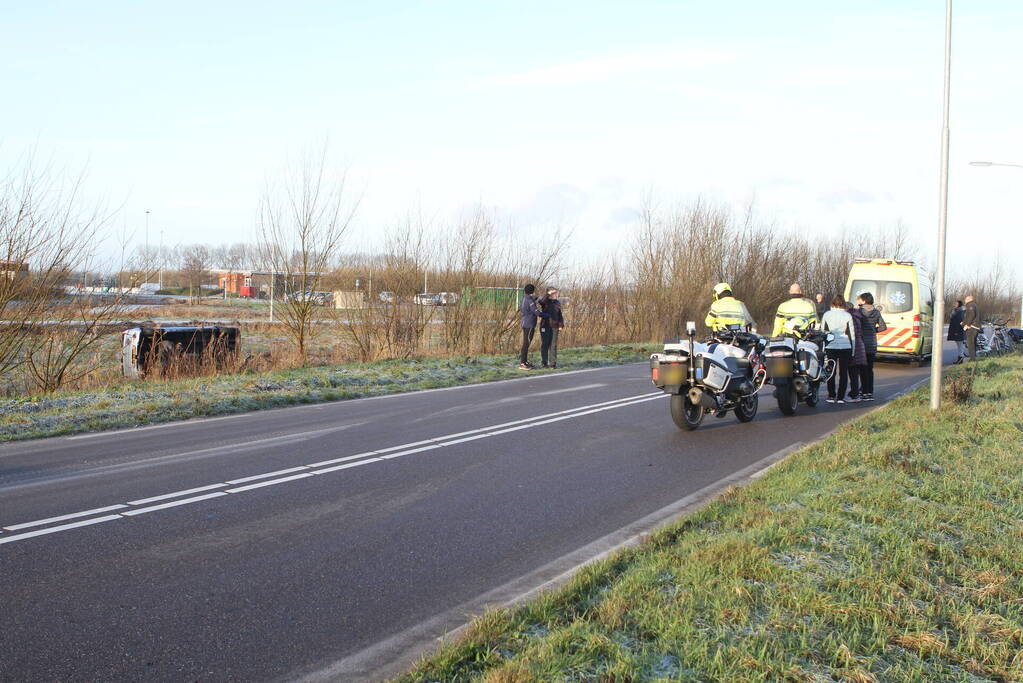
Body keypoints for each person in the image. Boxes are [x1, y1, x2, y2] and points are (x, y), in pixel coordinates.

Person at [821, 294, 856, 404]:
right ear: (843, 303)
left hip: (831, 346)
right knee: (843, 372)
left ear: (832, 303)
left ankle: (831, 395)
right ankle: (840, 397)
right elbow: (852, 334)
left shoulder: (827, 315)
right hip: (845, 346)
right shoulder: (847, 315)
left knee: (831, 372)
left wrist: (823, 347)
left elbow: (823, 332)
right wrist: (853, 350)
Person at [856, 292, 885, 400]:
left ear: (864, 301)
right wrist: (874, 330)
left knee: (862, 369)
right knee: (870, 369)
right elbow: (883, 327)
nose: (859, 301)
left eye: (860, 299)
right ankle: (870, 392)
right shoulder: (877, 312)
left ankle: (863, 392)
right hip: (872, 343)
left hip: (862, 343)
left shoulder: (860, 312)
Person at [537, 286, 564, 368]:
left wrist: (561, 324)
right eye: (554, 293)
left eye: (556, 293)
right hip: (545, 325)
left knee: (553, 345)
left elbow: (559, 315)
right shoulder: (545, 301)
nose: (556, 294)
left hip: (555, 326)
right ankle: (544, 363)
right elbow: (541, 302)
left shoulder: (557, 303)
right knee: (545, 344)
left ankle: (553, 363)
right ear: (550, 293)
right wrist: (547, 294)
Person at [846, 301, 868, 402]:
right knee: (856, 372)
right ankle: (856, 393)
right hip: (860, 345)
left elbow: (851, 333)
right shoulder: (858, 316)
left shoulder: (851, 317)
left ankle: (854, 394)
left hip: (854, 346)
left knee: (853, 372)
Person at [518, 284, 542, 370]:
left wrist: (536, 298)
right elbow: (536, 312)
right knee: (526, 343)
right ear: (532, 291)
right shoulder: (530, 301)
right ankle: (522, 363)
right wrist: (545, 315)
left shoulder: (524, 299)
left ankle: (525, 361)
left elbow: (523, 307)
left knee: (526, 343)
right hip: (529, 324)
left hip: (525, 323)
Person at [948, 299, 966, 364]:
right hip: (957, 330)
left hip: (959, 331)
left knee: (960, 345)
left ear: (959, 304)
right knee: (959, 345)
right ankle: (960, 358)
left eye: (956, 303)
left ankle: (960, 359)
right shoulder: (956, 311)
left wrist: (956, 331)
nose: (954, 304)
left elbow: (959, 322)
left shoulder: (960, 312)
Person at [963, 294, 980, 361]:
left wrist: (967, 324)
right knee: (973, 343)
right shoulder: (974, 305)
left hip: (972, 327)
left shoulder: (970, 305)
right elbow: (969, 316)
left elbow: (971, 315)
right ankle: (973, 358)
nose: (965, 300)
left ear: (969, 299)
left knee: (970, 344)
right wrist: (964, 322)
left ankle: (972, 359)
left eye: (966, 299)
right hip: (975, 326)